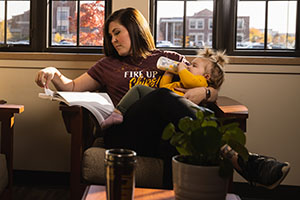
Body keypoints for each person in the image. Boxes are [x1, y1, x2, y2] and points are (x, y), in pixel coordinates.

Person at [35, 7, 290, 189]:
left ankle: (238, 161)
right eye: (110, 36)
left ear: (134, 30)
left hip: (165, 135)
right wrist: (53, 72)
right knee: (163, 95)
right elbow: (73, 86)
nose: (112, 40)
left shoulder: (167, 58)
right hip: (125, 132)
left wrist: (208, 92)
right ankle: (244, 160)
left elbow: (202, 79)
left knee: (177, 130)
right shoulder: (107, 64)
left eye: (117, 33)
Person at [100, 48, 227, 130]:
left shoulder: (198, 80)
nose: (188, 66)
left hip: (171, 118)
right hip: (142, 115)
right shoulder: (108, 63)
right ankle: (118, 113)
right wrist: (168, 73)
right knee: (153, 91)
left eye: (194, 65)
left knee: (155, 93)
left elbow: (191, 82)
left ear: (206, 76)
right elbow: (163, 89)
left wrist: (207, 91)